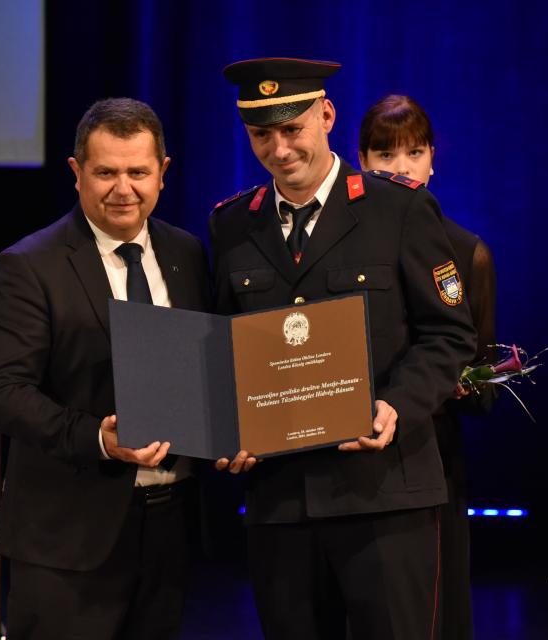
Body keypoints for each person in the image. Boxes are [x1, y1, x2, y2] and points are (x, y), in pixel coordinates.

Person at [210, 58, 477, 640]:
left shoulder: (400, 209)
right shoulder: (231, 225)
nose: (280, 149)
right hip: (281, 503)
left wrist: (397, 405)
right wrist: (225, 429)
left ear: (326, 115)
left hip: (385, 494)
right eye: (261, 134)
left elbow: (451, 334)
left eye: (292, 129)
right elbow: (222, 349)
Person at [0, 97, 211, 640]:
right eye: (106, 173)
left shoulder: (188, 253)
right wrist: (99, 439)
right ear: (76, 171)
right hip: (66, 538)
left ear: (163, 172)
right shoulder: (29, 265)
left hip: (169, 527)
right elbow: (0, 392)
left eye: (138, 173)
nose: (123, 189)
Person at [359, 94, 498, 640]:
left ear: (433, 159)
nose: (401, 168)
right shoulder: (339, 246)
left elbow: (482, 375)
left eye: (413, 153)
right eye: (384, 154)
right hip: (349, 455)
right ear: (360, 160)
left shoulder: (466, 252)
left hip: (431, 460)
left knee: (429, 614)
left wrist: (457, 384)